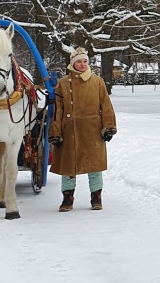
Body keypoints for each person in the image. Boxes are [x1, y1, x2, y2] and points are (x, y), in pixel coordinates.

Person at [49, 47, 117, 212]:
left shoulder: (97, 82)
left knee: (94, 166)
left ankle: (96, 197)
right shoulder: (63, 84)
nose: (82, 64)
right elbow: (58, 110)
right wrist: (55, 132)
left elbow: (106, 106)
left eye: (85, 61)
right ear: (72, 63)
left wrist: (108, 127)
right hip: (69, 131)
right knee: (68, 167)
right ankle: (67, 198)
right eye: (79, 61)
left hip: (92, 130)